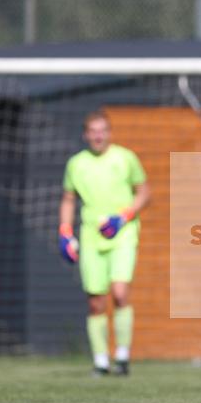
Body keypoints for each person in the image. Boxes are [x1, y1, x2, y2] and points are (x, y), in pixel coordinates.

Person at [58, 110, 151, 376]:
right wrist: (65, 231)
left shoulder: (125, 158)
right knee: (95, 301)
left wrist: (123, 217)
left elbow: (144, 192)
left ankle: (122, 357)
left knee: (120, 293)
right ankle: (101, 360)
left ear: (109, 133)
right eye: (93, 131)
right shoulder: (76, 164)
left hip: (123, 234)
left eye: (103, 131)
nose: (98, 136)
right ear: (86, 135)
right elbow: (68, 199)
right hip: (91, 236)